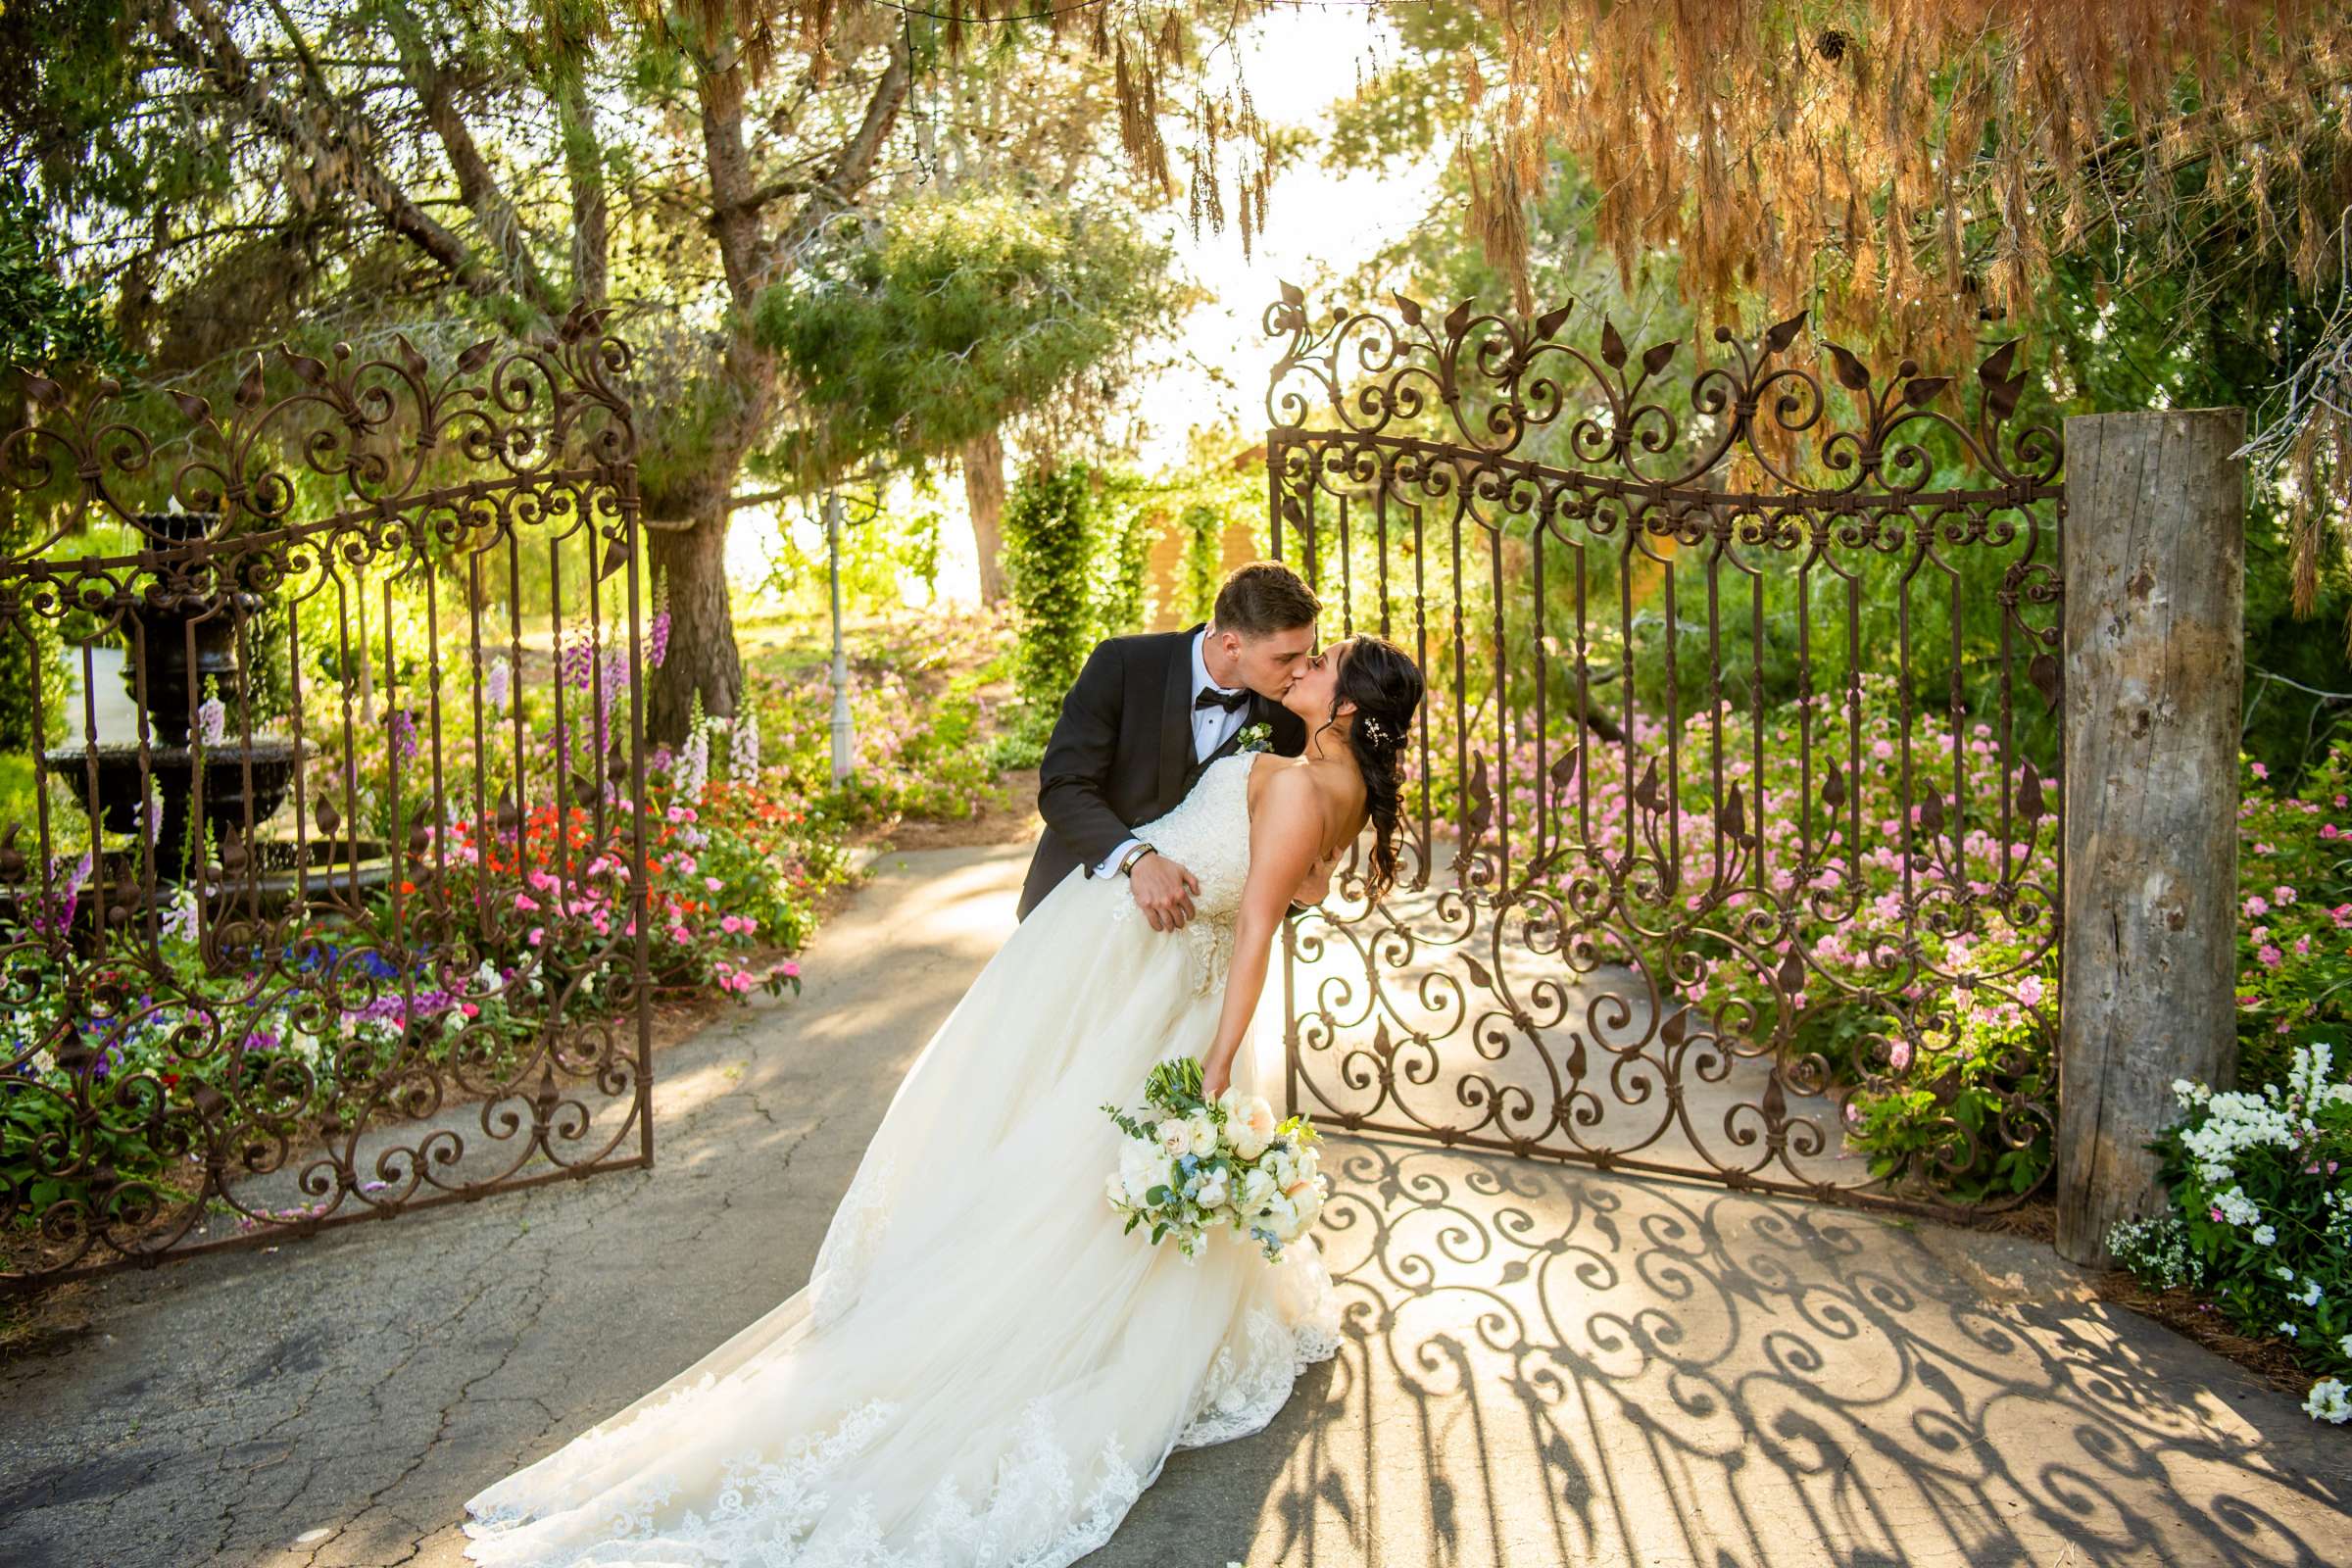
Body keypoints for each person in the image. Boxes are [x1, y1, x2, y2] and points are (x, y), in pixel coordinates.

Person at [460, 631, 1427, 1568]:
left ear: (1346, 708)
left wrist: (1217, 1069)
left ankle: (1010, 1326)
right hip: (1144, 959)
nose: (1306, 665)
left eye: (1325, 662)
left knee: (1064, 1165)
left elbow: (1260, 921)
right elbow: (1290, 887)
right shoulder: (1322, 779)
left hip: (1147, 973)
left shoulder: (1304, 783)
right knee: (1061, 1151)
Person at [1017, 561, 1316, 927]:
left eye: (1307, 653)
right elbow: (1063, 786)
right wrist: (1135, 858)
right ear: (1231, 645)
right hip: (1074, 910)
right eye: (1286, 658)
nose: (1302, 669)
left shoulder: (1287, 716)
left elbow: (1268, 841)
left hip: (1186, 933)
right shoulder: (1124, 665)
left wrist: (1303, 894)